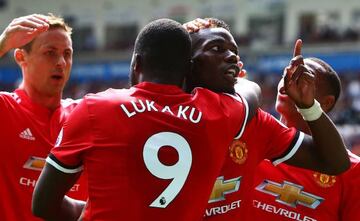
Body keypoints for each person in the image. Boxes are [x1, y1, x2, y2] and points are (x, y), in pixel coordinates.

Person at [32, 18, 249, 221]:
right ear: (188, 70)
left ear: (136, 63)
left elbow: (43, 204)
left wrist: (93, 209)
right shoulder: (218, 112)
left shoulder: (94, 108)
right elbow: (250, 94)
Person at [182, 18, 350, 220]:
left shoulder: (256, 125)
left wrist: (309, 107)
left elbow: (337, 163)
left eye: (234, 52)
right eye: (217, 48)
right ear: (186, 63)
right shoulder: (153, 113)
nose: (231, 57)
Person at [245, 57, 360, 221]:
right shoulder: (248, 138)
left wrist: (310, 109)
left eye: (304, 76)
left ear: (326, 102)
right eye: (288, 73)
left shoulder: (352, 171)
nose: (289, 81)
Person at [0, 14, 87, 221]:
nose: (61, 62)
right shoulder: (4, 108)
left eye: (67, 54)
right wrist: (2, 44)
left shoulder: (85, 115)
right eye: (50, 53)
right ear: (21, 57)